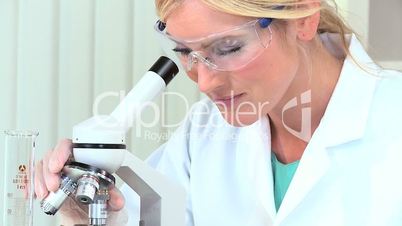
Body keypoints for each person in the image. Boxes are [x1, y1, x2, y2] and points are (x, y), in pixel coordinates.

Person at [35, 0, 402, 225]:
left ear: (303, 15)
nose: (205, 82)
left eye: (227, 48)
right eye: (184, 52)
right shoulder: (203, 131)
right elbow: (144, 217)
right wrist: (86, 214)